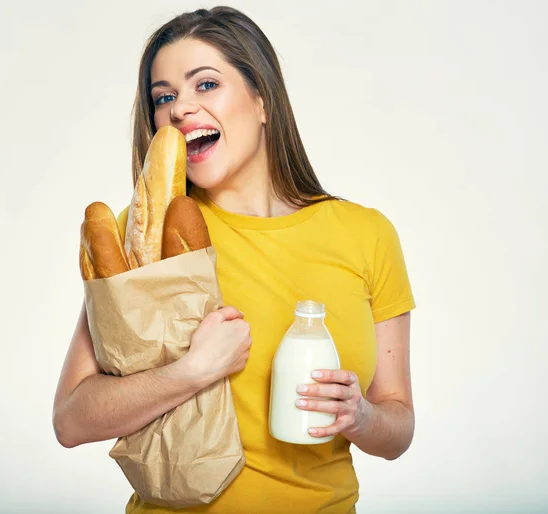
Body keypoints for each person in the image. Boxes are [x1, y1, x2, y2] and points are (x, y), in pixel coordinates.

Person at [53, 6, 416, 514]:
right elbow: (72, 420)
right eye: (164, 97)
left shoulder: (366, 234)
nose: (179, 109)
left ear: (262, 99)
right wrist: (191, 372)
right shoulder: (145, 230)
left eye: (205, 85)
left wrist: (361, 417)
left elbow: (397, 429)